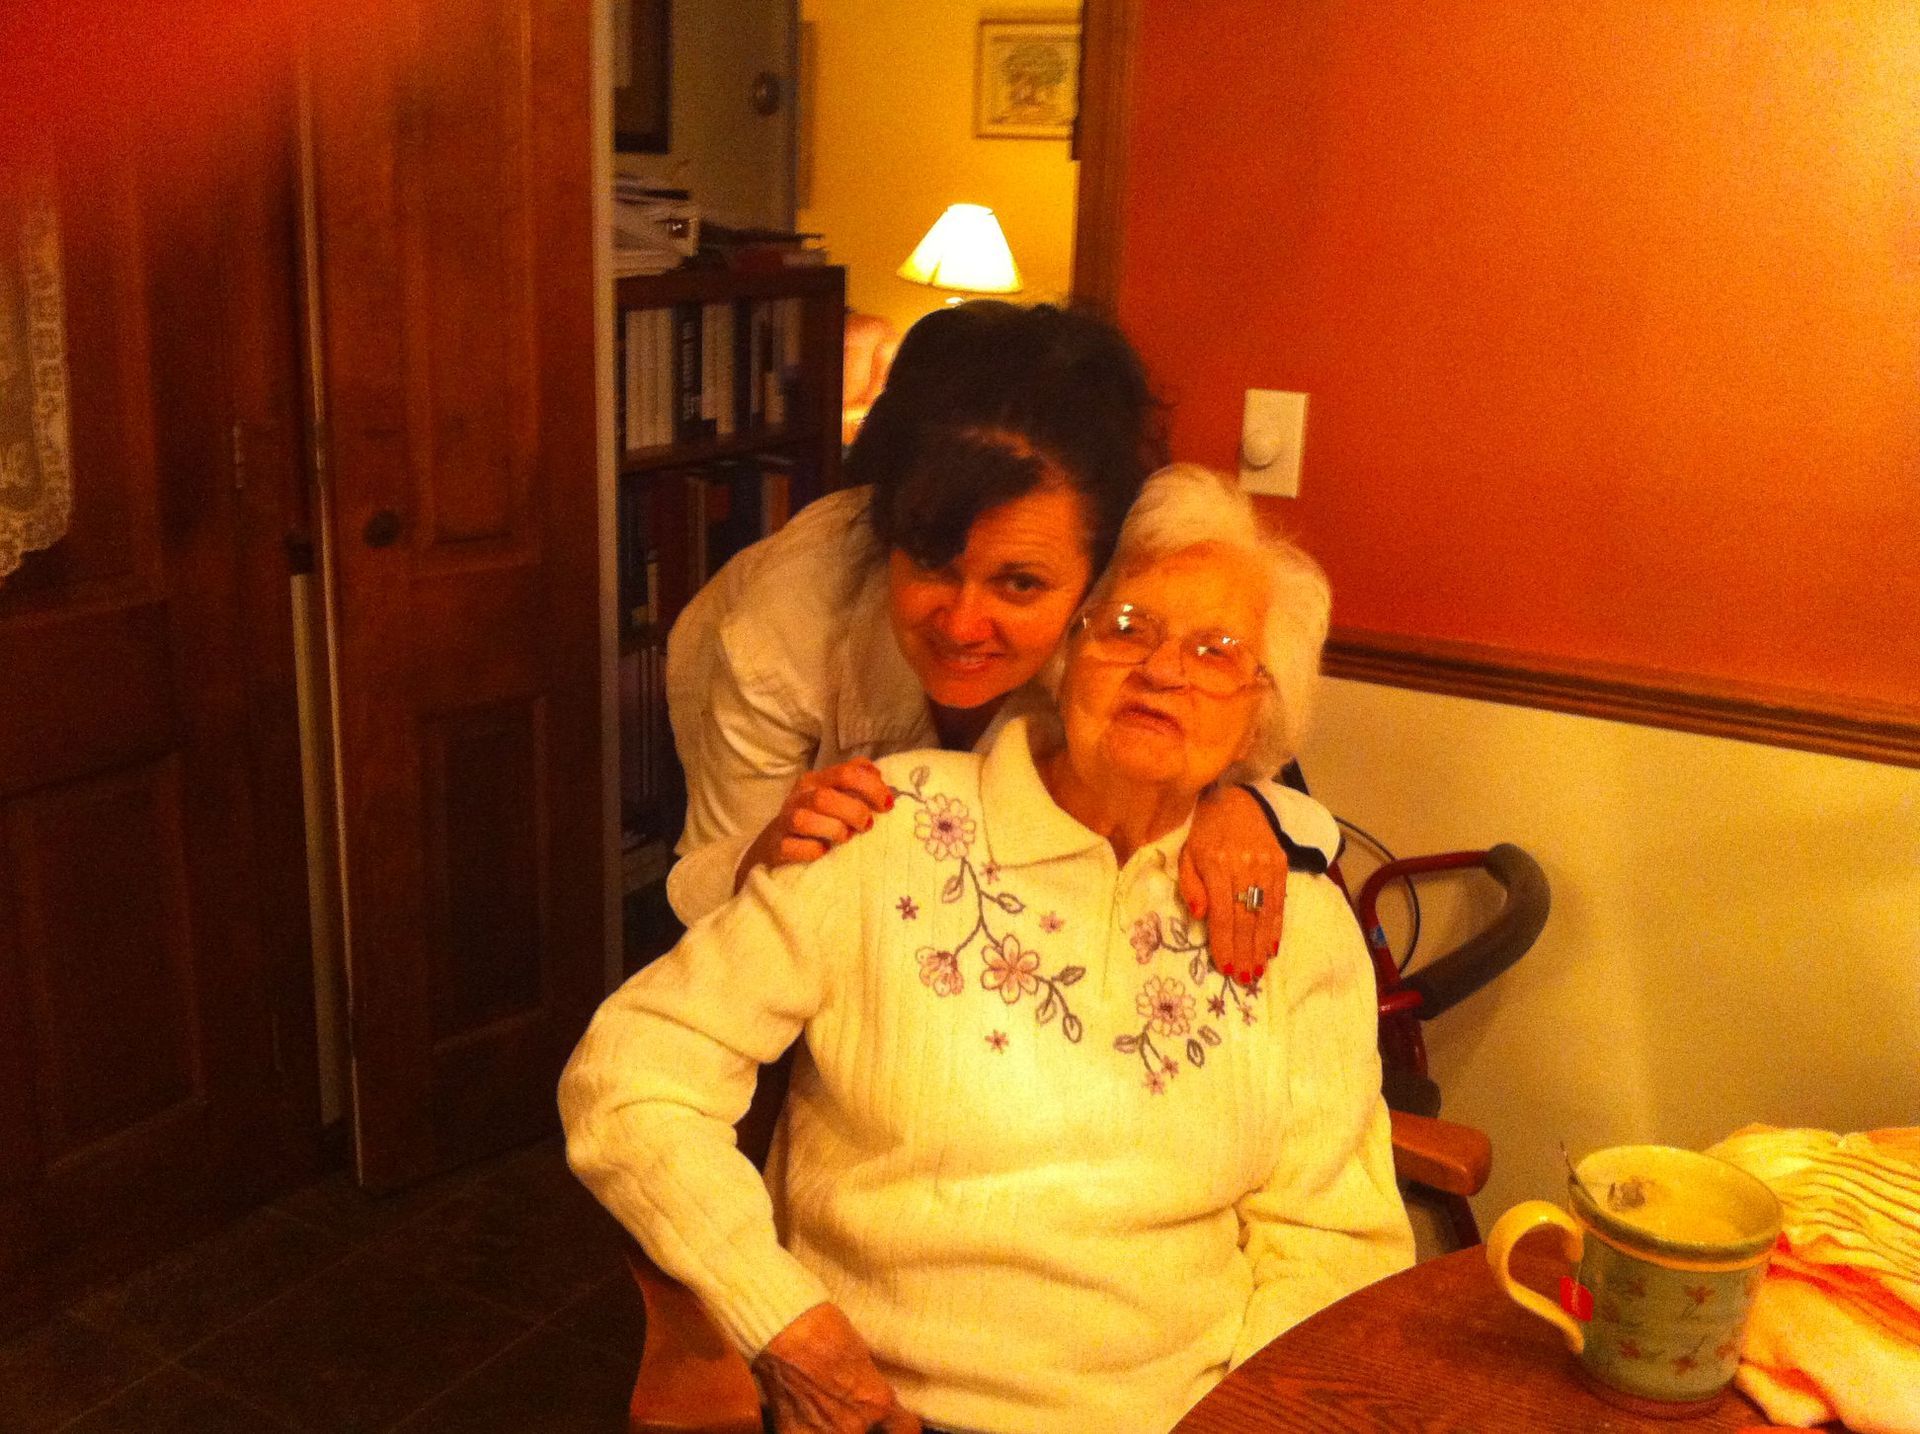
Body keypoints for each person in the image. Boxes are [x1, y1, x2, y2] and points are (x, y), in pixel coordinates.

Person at [564, 465, 1415, 1434]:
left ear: (1261, 713)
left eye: (1217, 652)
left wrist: (1252, 1420)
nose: (1163, 670)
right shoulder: (880, 828)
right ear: (1068, 649)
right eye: (1128, 627)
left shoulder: (1296, 919)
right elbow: (632, 1079)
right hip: (879, 1409)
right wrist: (784, 1326)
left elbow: (1331, 1232)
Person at [664, 301, 1339, 983]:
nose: (962, 626)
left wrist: (1234, 802)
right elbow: (707, 904)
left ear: (1100, 577)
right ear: (889, 532)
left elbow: (1271, 769)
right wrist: (766, 852)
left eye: (1019, 583)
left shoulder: (1125, 613)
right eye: (931, 562)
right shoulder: (780, 631)